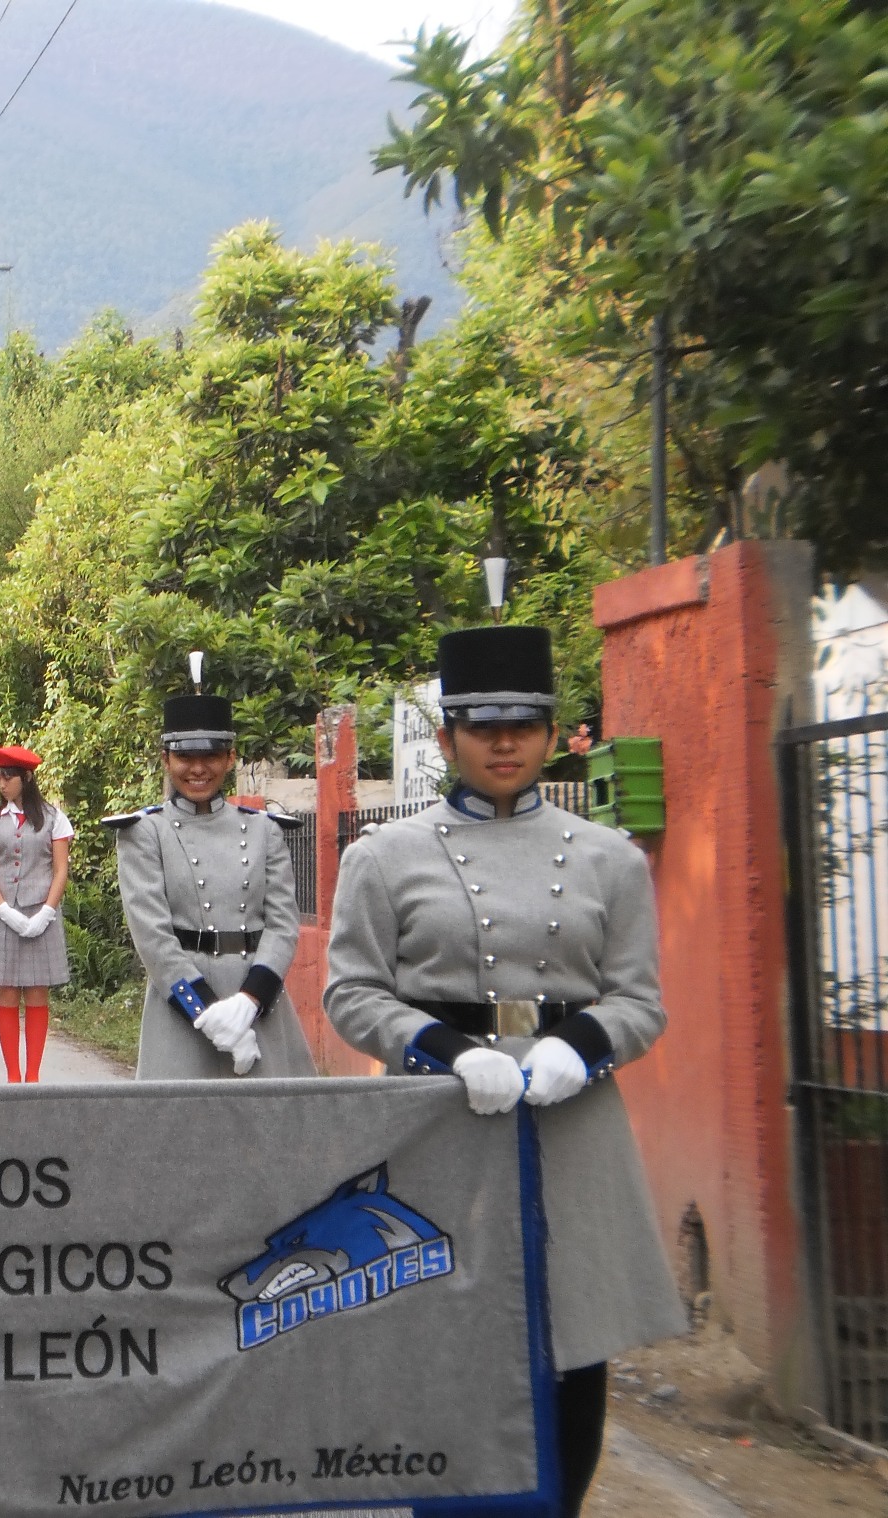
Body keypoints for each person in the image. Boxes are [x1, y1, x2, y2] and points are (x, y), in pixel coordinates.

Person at [325, 625, 683, 1518]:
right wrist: (444, 1053)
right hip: (442, 1121)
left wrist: (580, 1047)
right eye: (482, 726)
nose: (504, 742)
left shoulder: (610, 859)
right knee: (445, 1336)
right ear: (447, 737)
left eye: (523, 724)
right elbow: (351, 994)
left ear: (554, 733)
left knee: (571, 1342)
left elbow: (641, 1001)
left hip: (572, 1124)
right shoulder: (383, 857)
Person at [107, 691, 316, 1079]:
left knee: (273, 1130)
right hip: (182, 1010)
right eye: (185, 757)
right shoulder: (145, 832)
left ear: (230, 758)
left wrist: (248, 1004)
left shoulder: (263, 829)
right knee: (183, 1131)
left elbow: (282, 924)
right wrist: (210, 1016)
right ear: (166, 758)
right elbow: (152, 936)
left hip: (258, 1005)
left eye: (212, 756)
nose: (198, 769)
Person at [0, 745, 73, 1083]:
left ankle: (33, 1074)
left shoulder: (54, 817)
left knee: (36, 992)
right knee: (6, 991)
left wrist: (47, 912)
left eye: (8, 777)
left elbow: (60, 869)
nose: (1, 784)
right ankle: (13, 1075)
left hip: (40, 911)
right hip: (3, 913)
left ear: (26, 778)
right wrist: (3, 910)